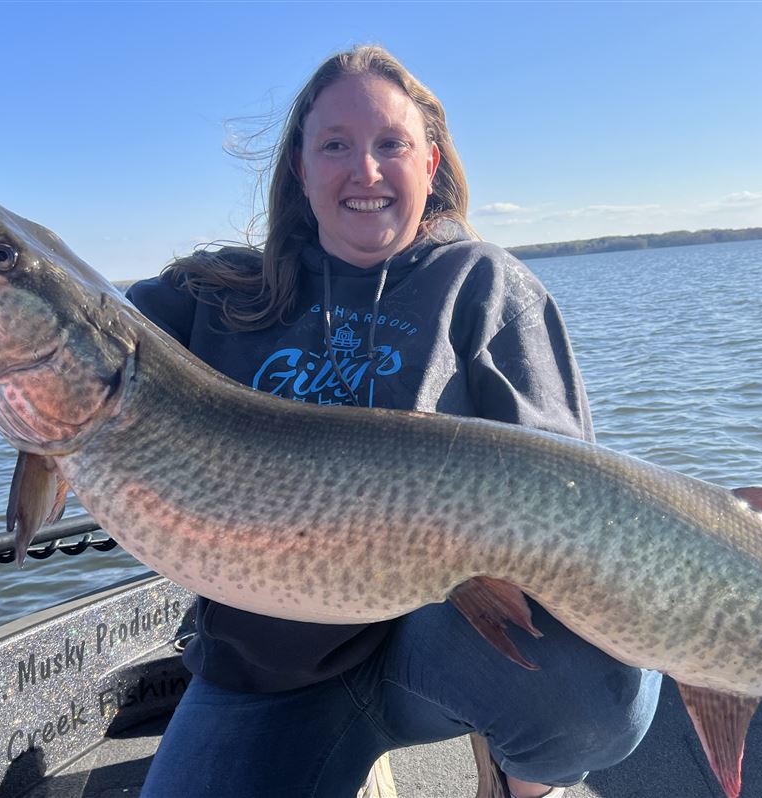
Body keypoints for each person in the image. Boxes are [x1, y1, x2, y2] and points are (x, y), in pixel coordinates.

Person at [127, 45, 660, 798]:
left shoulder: (483, 285)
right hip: (268, 668)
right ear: (300, 170)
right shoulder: (212, 293)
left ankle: (516, 784)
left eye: (390, 145)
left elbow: (570, 506)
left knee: (598, 684)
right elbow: (57, 344)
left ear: (430, 160)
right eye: (336, 145)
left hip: (438, 643)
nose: (365, 170)